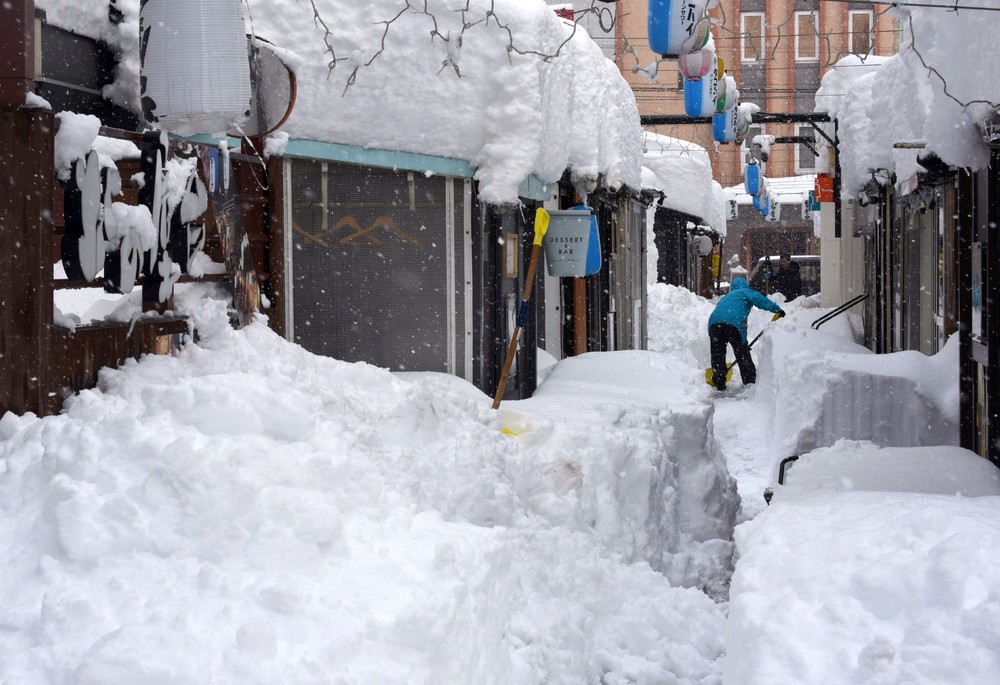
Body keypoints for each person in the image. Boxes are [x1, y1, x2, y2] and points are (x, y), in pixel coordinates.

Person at [708, 277, 784, 391]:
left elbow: (720, 312)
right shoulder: (745, 292)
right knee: (742, 353)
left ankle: (719, 380)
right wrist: (776, 309)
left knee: (717, 353)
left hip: (714, 324)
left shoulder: (727, 296)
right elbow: (760, 300)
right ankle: (749, 381)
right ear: (745, 285)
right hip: (733, 323)